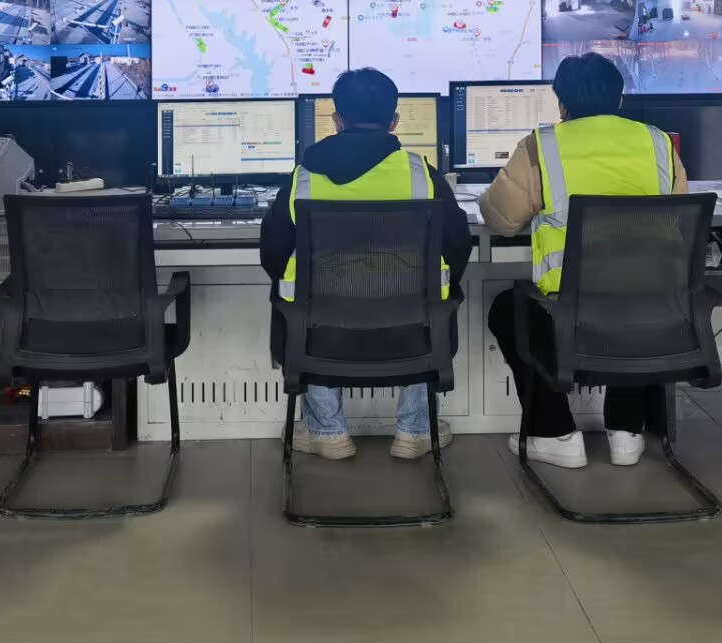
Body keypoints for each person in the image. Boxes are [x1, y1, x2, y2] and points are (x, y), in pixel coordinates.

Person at [480, 53, 687, 470]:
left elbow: (501, 220)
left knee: (507, 308)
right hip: (654, 311)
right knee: (631, 304)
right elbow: (680, 212)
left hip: (570, 316)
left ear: (562, 103)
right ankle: (626, 432)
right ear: (620, 100)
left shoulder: (542, 145)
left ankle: (555, 433)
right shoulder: (658, 142)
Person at [260, 68, 473, 461]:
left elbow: (272, 255)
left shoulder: (303, 179)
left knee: (295, 303)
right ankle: (414, 431)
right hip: (411, 336)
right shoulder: (422, 176)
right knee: (436, 300)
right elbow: (459, 246)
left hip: (322, 338)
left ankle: (327, 432)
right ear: (394, 121)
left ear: (336, 119)